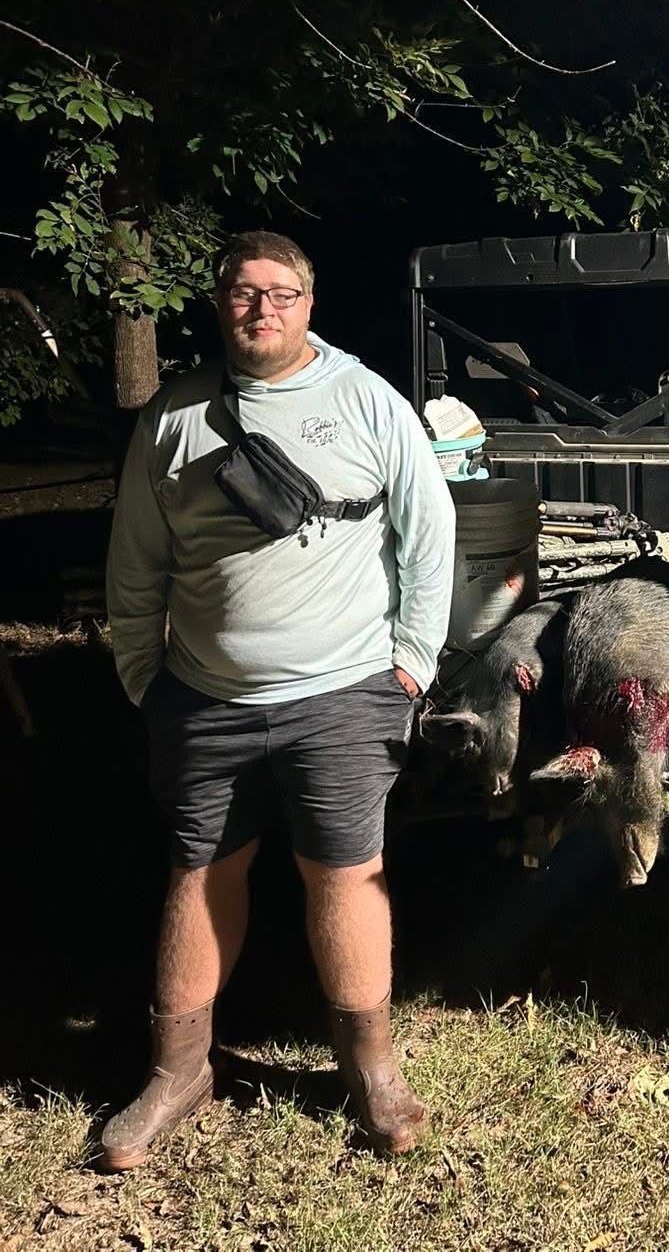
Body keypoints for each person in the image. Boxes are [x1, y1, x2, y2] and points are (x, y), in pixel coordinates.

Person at [103, 230, 455, 1169]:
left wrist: (412, 664)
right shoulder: (172, 417)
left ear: (308, 303)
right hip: (202, 700)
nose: (261, 309)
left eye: (281, 293)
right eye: (243, 293)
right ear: (220, 303)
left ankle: (371, 1069)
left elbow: (430, 531)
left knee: (343, 873)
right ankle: (178, 1070)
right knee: (198, 874)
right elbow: (135, 563)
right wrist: (146, 678)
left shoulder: (367, 398)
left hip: (342, 697)